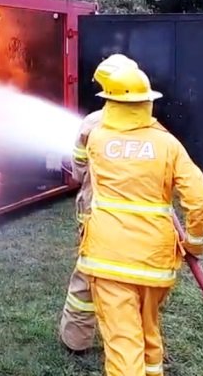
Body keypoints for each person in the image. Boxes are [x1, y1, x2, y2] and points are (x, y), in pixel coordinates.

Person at [75, 59, 203, 376]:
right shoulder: (167, 144)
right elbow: (200, 198)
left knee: (123, 343)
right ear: (148, 102)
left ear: (109, 102)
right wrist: (195, 243)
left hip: (108, 259)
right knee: (148, 331)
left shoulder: (96, 138)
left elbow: (80, 169)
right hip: (155, 262)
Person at [59, 54, 164, 353]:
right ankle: (137, 341)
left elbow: (79, 170)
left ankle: (76, 339)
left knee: (89, 273)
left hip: (98, 213)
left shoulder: (92, 123)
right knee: (136, 278)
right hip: (142, 216)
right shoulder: (153, 127)